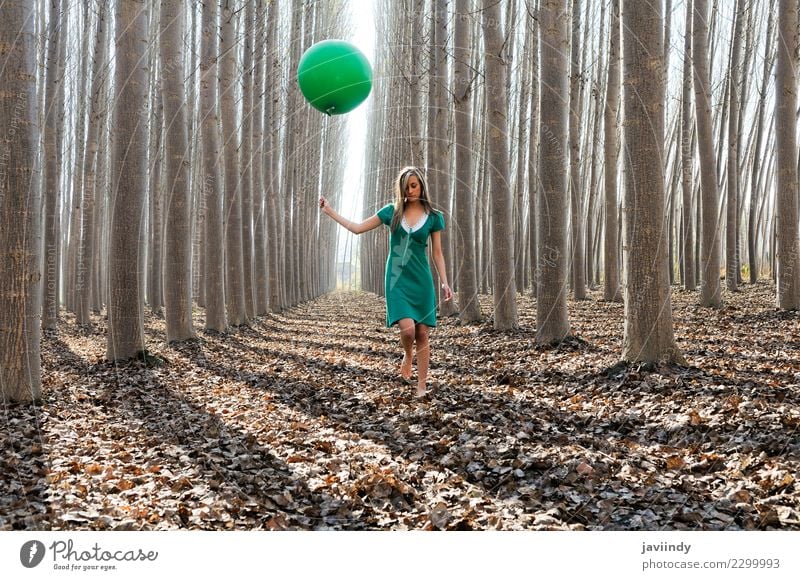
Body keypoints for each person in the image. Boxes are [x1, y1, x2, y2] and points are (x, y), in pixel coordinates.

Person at [319, 166, 453, 398]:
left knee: (422, 332)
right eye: (406, 186)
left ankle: (422, 386)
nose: (410, 190)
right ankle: (408, 355)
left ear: (421, 185)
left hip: (421, 280)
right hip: (396, 279)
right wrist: (330, 211)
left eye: (414, 185)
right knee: (408, 330)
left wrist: (444, 281)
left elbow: (437, 253)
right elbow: (357, 228)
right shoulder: (392, 212)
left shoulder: (434, 217)